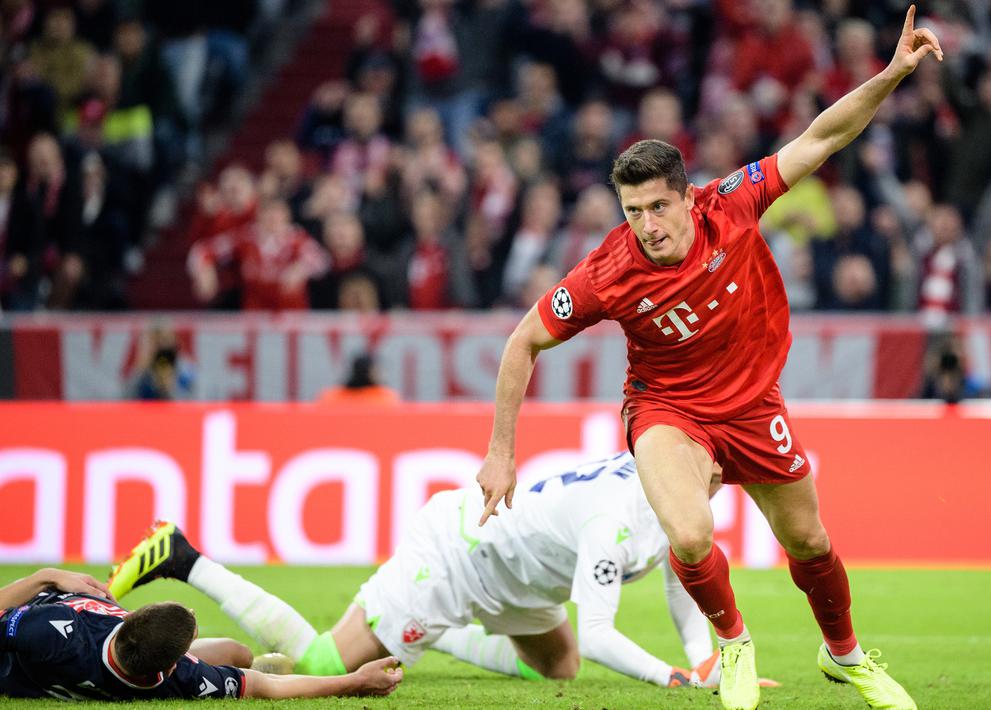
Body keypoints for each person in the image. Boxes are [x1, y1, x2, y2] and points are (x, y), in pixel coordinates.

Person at [473, 7, 942, 710]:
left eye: (658, 207)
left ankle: (842, 654)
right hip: (667, 409)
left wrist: (891, 74)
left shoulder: (734, 202)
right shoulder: (608, 271)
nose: (647, 226)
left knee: (808, 541)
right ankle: (732, 643)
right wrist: (500, 452)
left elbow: (824, 135)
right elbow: (524, 340)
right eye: (632, 211)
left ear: (688, 198)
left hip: (753, 402)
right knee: (689, 535)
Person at [107, 453, 728, 690]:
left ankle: (435, 634)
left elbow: (683, 572)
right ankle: (181, 556)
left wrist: (705, 658)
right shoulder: (613, 518)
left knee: (558, 668)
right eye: (718, 470)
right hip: (456, 557)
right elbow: (599, 634)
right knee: (323, 665)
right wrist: (674, 679)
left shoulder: (671, 488)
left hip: (519, 576)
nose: (722, 481)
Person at [0, 568, 402, 699]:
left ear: (129, 618)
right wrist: (354, 680)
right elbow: (267, 686)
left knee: (237, 654)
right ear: (176, 663)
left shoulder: (48, 631)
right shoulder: (183, 680)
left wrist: (46, 576)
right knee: (241, 657)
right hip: (83, 665)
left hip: (35, 653)